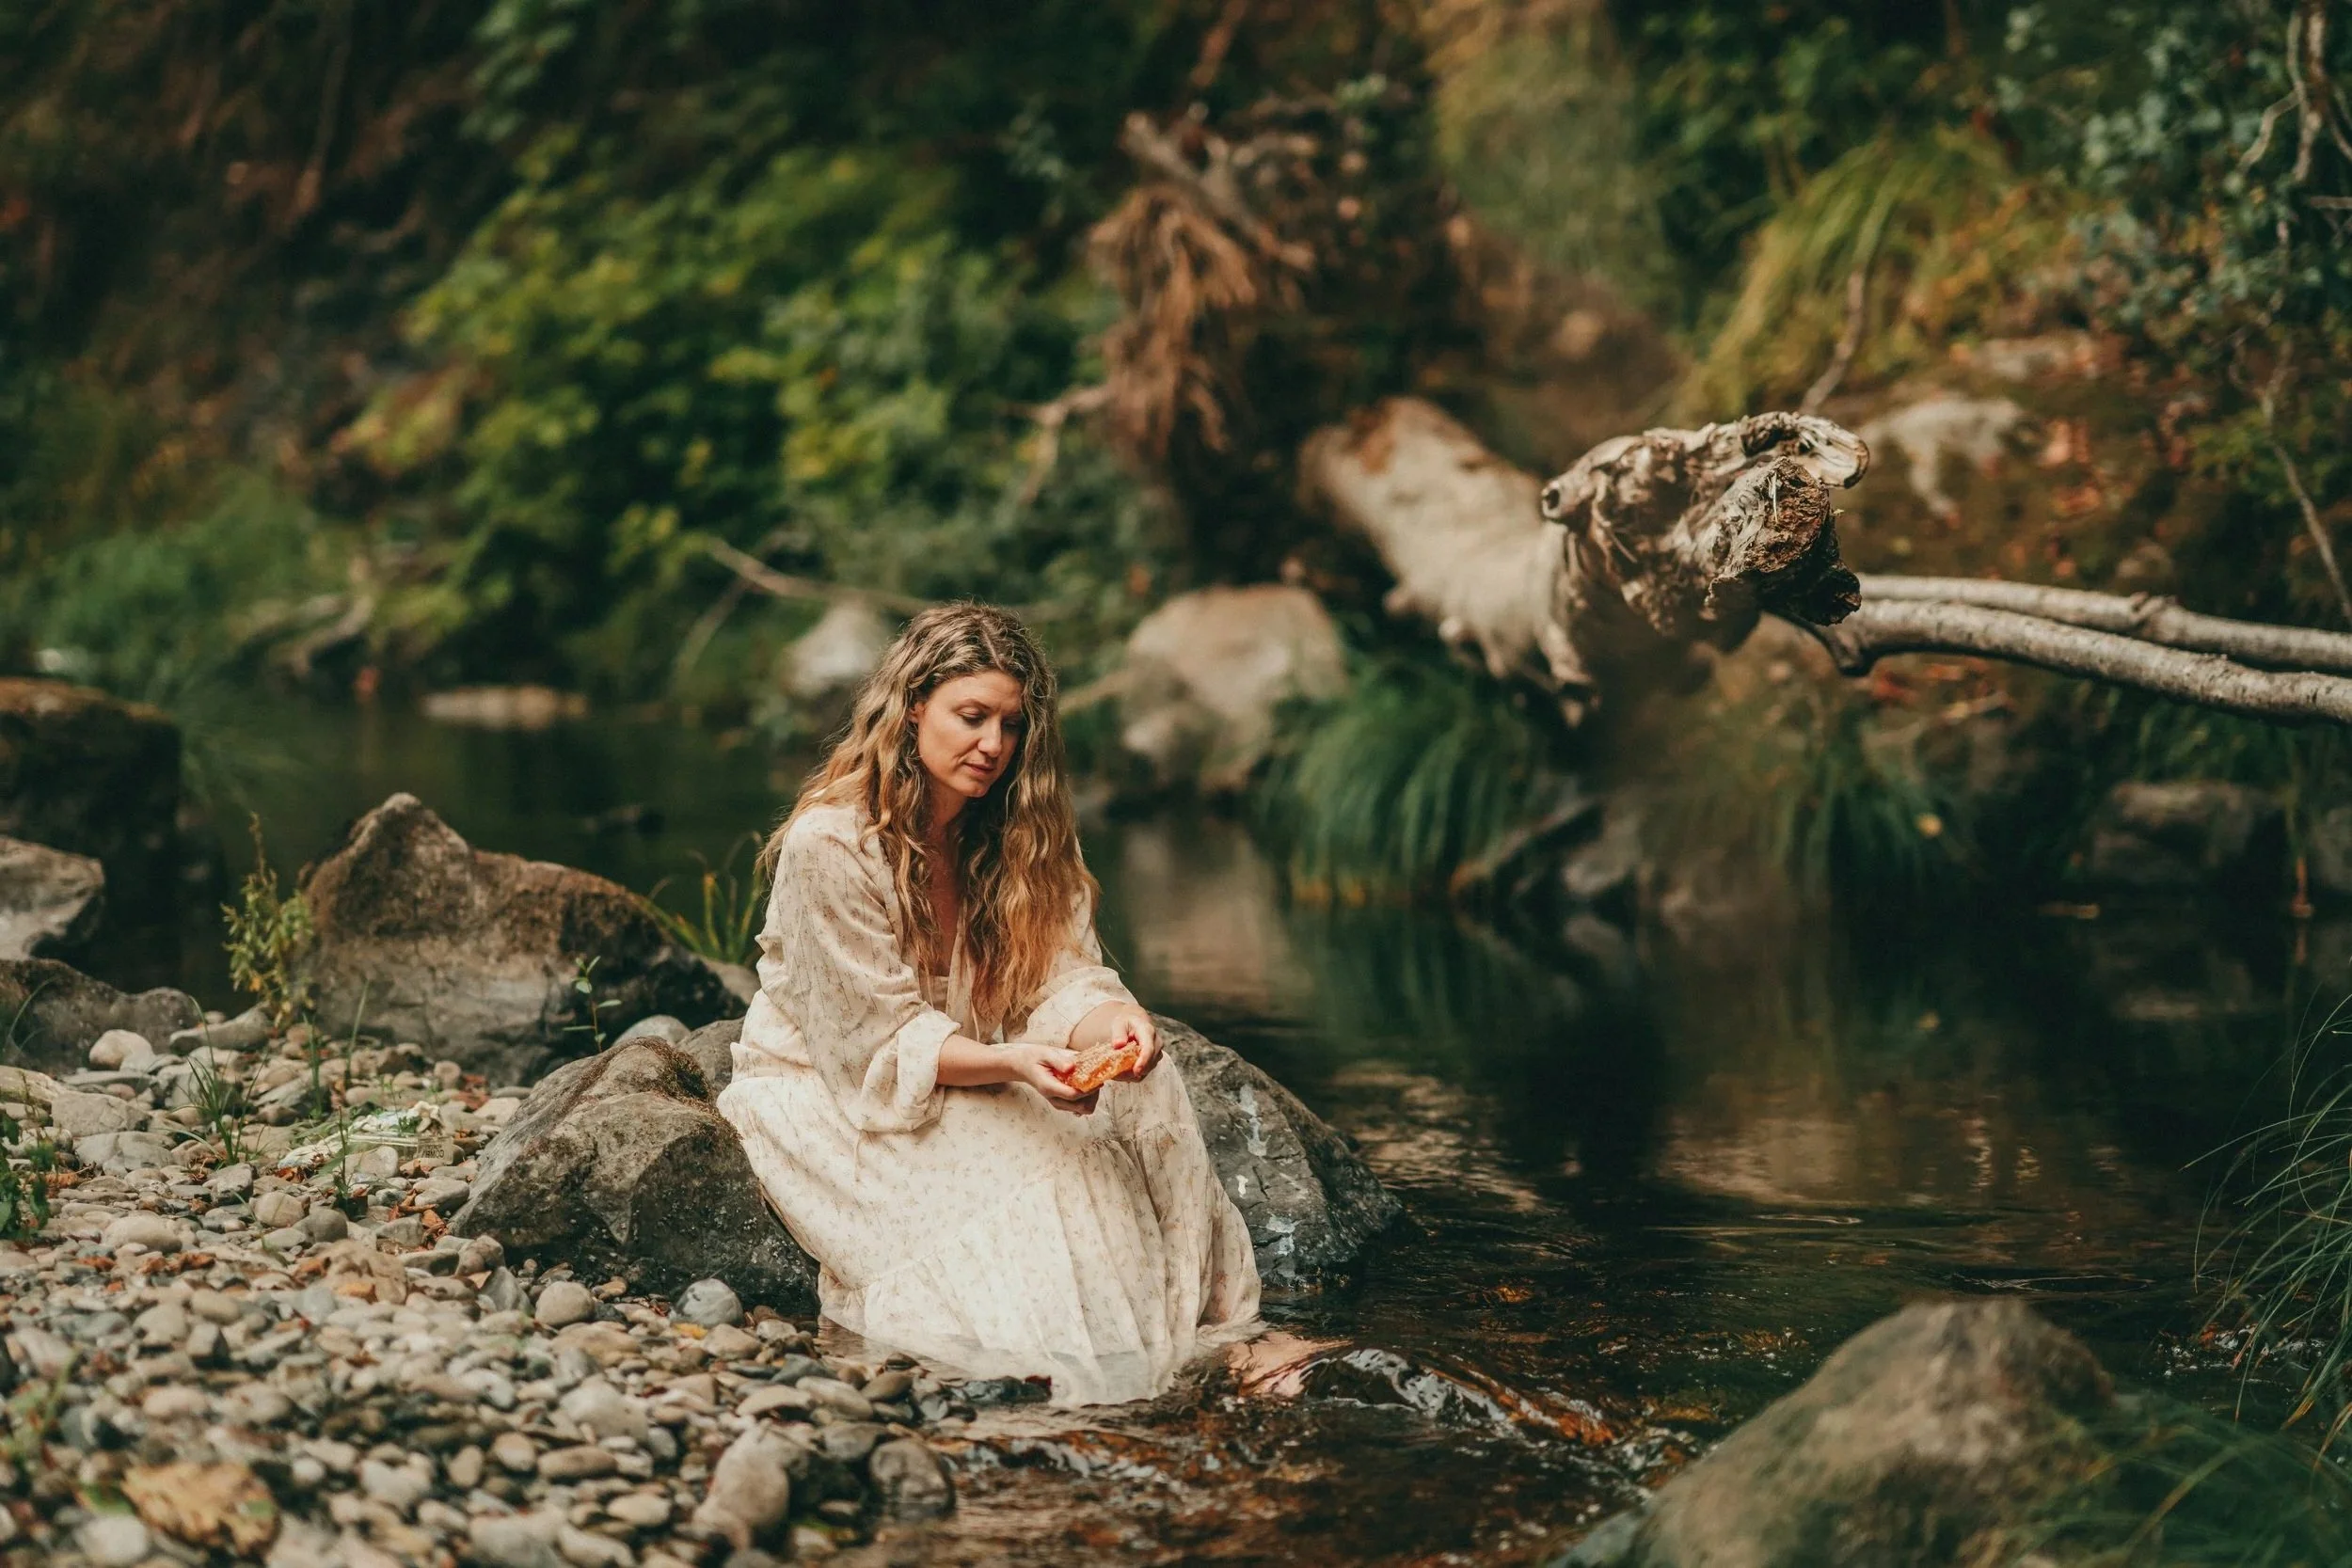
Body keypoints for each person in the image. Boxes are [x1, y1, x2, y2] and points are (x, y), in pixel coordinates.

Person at [717, 602, 1264, 1404]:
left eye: (1011, 726)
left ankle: (1207, 1335)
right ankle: (1119, 1379)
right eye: (971, 717)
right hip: (837, 1092)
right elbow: (877, 1043)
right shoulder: (831, 845)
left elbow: (1060, 976)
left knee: (1151, 1090)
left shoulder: (1019, 831)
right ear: (912, 709)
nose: (993, 747)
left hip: (972, 1054)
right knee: (1055, 1170)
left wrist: (1114, 1025)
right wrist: (1012, 1063)